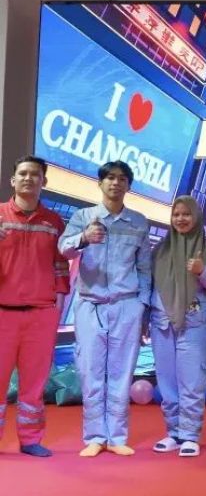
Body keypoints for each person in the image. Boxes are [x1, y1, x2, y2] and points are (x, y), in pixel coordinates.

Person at [58, 161, 151, 457]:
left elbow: (144, 267)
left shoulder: (139, 222)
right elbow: (63, 249)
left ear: (128, 186)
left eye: (122, 179)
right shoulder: (83, 217)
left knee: (121, 372)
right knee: (91, 371)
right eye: (110, 178)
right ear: (100, 183)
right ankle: (95, 436)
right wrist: (84, 238)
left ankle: (117, 436)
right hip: (90, 304)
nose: (115, 183)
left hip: (127, 304)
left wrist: (143, 306)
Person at [0, 156, 70, 457]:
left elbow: (61, 265)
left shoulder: (54, 222)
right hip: (3, 313)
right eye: (23, 173)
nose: (29, 178)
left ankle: (30, 439)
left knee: (34, 383)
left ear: (44, 182)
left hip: (42, 314)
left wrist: (58, 304)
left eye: (35, 174)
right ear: (13, 180)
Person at [150, 196, 206, 457]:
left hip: (195, 322)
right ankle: (173, 432)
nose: (180, 219)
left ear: (196, 216)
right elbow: (148, 285)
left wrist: (203, 272)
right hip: (161, 322)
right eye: (176, 214)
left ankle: (190, 435)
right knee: (167, 381)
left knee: (192, 381)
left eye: (186, 214)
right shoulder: (160, 250)